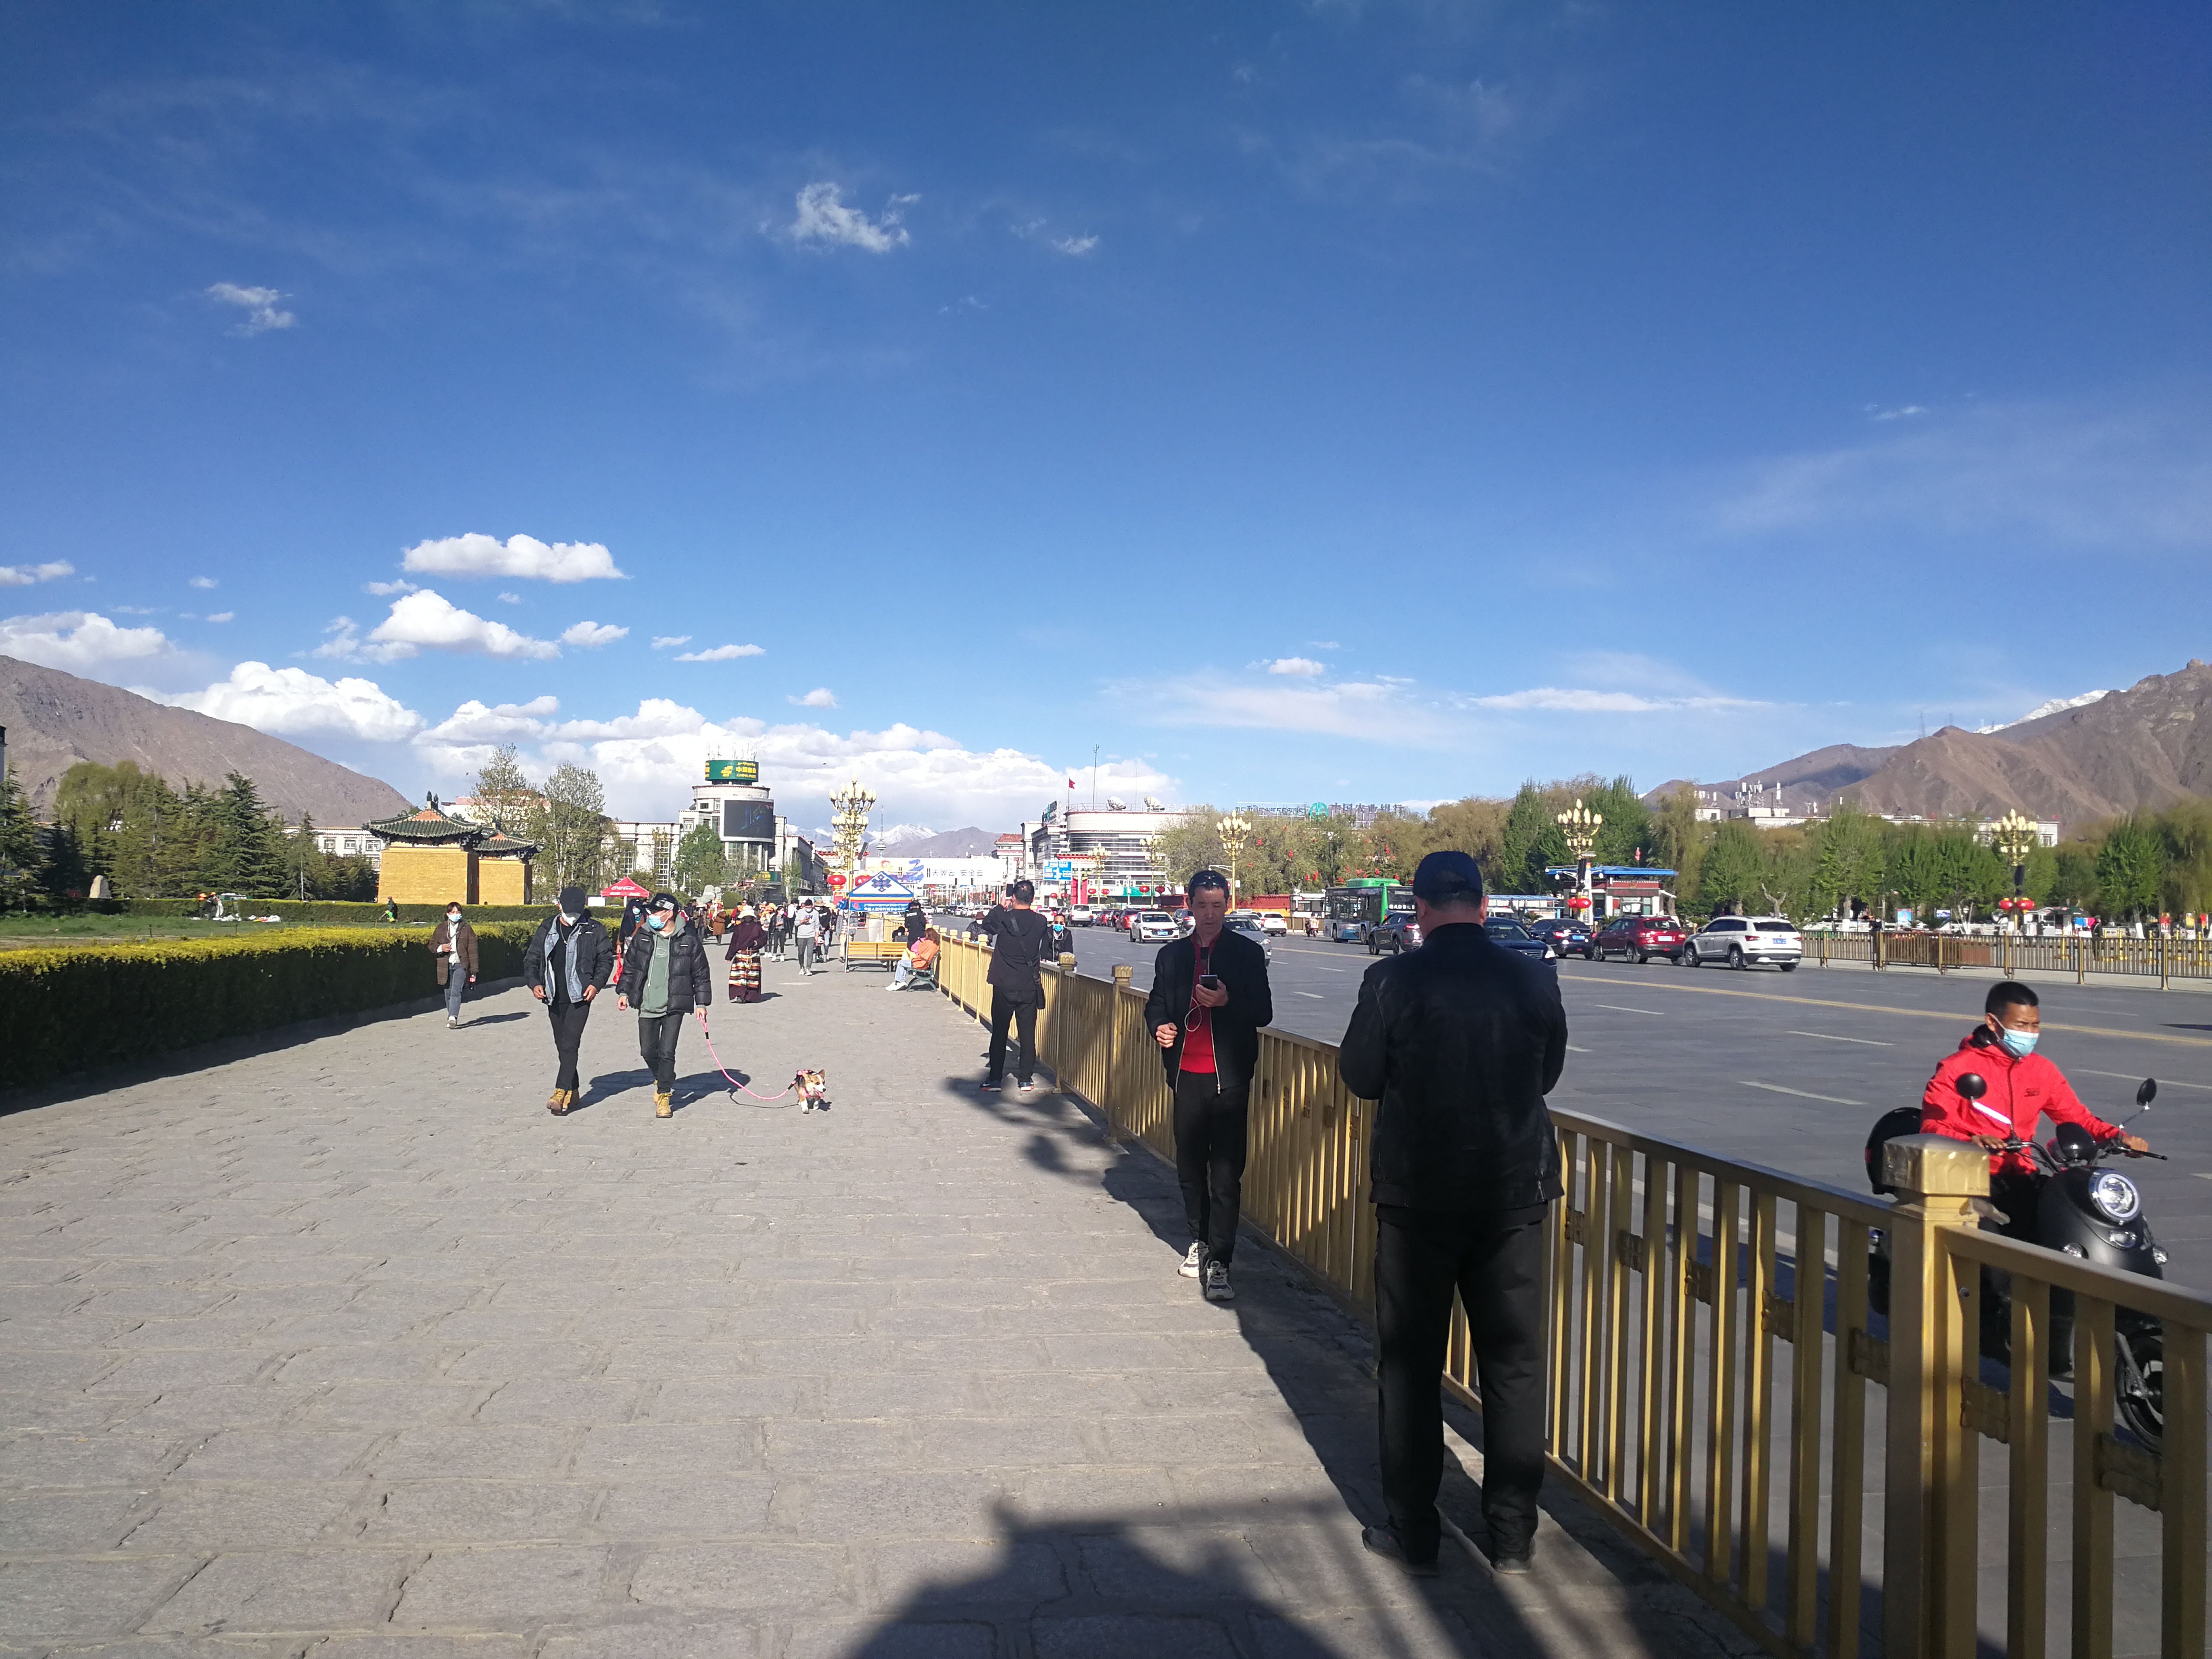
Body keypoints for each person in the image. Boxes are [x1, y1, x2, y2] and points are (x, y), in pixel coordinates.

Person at [1338, 850, 1566, 1579]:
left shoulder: (1392, 980)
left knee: (1411, 1366)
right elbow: (1547, 1075)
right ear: (1484, 903)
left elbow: (1360, 1076)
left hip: (1420, 1196)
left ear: (1420, 908)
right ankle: (1513, 1535)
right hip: (1513, 1196)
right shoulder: (1534, 977)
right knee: (1515, 1365)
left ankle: (1415, 1531)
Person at [1920, 981, 2147, 1242]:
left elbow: (2077, 1117)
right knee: (1993, 1250)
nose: (2030, 1033)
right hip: (1972, 1178)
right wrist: (1971, 1141)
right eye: (2021, 1025)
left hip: (2023, 1172)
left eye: (2035, 1025)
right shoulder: (1956, 1069)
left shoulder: (2042, 1070)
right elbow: (1932, 1127)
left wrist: (2119, 1138)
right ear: (1993, 1023)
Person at [1144, 868, 1274, 1304]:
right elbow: (1156, 1004)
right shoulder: (1172, 956)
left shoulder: (1245, 953)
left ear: (1227, 905)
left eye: (1217, 906)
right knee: (1188, 1166)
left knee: (1225, 1173)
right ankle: (1197, 1240)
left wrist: (1227, 1001)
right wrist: (1159, 1026)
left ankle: (1221, 1259)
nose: (1210, 914)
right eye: (1202, 905)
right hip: (1185, 1075)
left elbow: (1263, 1012)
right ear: (1189, 906)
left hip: (1229, 1078)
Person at [615, 891, 714, 1117]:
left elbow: (701, 973)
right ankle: (663, 1077)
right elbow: (631, 967)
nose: (651, 915)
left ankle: (664, 1096)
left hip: (674, 1003)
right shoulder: (643, 936)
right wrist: (624, 992)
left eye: (655, 911)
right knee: (648, 1051)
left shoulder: (689, 939)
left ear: (669, 914)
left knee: (667, 1052)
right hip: (647, 1003)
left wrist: (701, 1003)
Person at [523, 885, 613, 1114]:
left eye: (577, 911)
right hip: (553, 995)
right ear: (559, 906)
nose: (573, 916)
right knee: (562, 1046)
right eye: (569, 910)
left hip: (580, 996)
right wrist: (534, 983)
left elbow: (605, 960)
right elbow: (532, 959)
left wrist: (596, 984)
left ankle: (560, 1091)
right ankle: (573, 1091)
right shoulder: (547, 928)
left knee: (570, 1043)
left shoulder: (594, 929)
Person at [982, 880, 1052, 1094]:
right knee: (1027, 1034)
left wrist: (1001, 906)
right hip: (1029, 985)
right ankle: (1025, 1080)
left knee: (1000, 1033)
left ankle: (995, 1080)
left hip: (1004, 984)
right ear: (1033, 899)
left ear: (1013, 898)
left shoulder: (1004, 918)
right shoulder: (1040, 921)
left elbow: (987, 925)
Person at [428, 900, 478, 1029]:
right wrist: (441, 948)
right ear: (448, 914)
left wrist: (474, 970)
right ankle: (451, 1014)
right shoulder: (441, 928)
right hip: (445, 964)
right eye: (453, 912)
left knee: (456, 991)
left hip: (461, 964)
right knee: (448, 992)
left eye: (458, 912)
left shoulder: (466, 928)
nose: (456, 914)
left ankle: (453, 1017)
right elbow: (432, 945)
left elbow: (473, 949)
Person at [725, 905, 766, 1004]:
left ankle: (750, 996)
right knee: (740, 977)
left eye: (749, 916)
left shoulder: (757, 927)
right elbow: (734, 942)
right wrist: (730, 956)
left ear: (752, 917)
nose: (747, 918)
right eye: (746, 917)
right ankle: (741, 996)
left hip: (753, 955)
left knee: (752, 977)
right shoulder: (739, 928)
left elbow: (764, 938)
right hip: (741, 954)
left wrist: (755, 943)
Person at [888, 926, 941, 991]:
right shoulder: (936, 944)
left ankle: (899, 981)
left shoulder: (928, 943)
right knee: (904, 964)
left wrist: (921, 942)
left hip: (920, 963)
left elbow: (920, 951)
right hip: (925, 963)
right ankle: (900, 981)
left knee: (901, 963)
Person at [792, 900, 822, 975]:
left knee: (810, 953)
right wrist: (802, 921)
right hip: (801, 935)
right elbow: (796, 923)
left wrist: (817, 935)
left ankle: (808, 969)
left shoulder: (816, 913)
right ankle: (802, 967)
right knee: (801, 952)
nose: (809, 910)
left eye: (810, 908)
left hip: (811, 935)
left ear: (812, 906)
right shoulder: (800, 912)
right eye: (807, 908)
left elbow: (817, 924)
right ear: (805, 906)